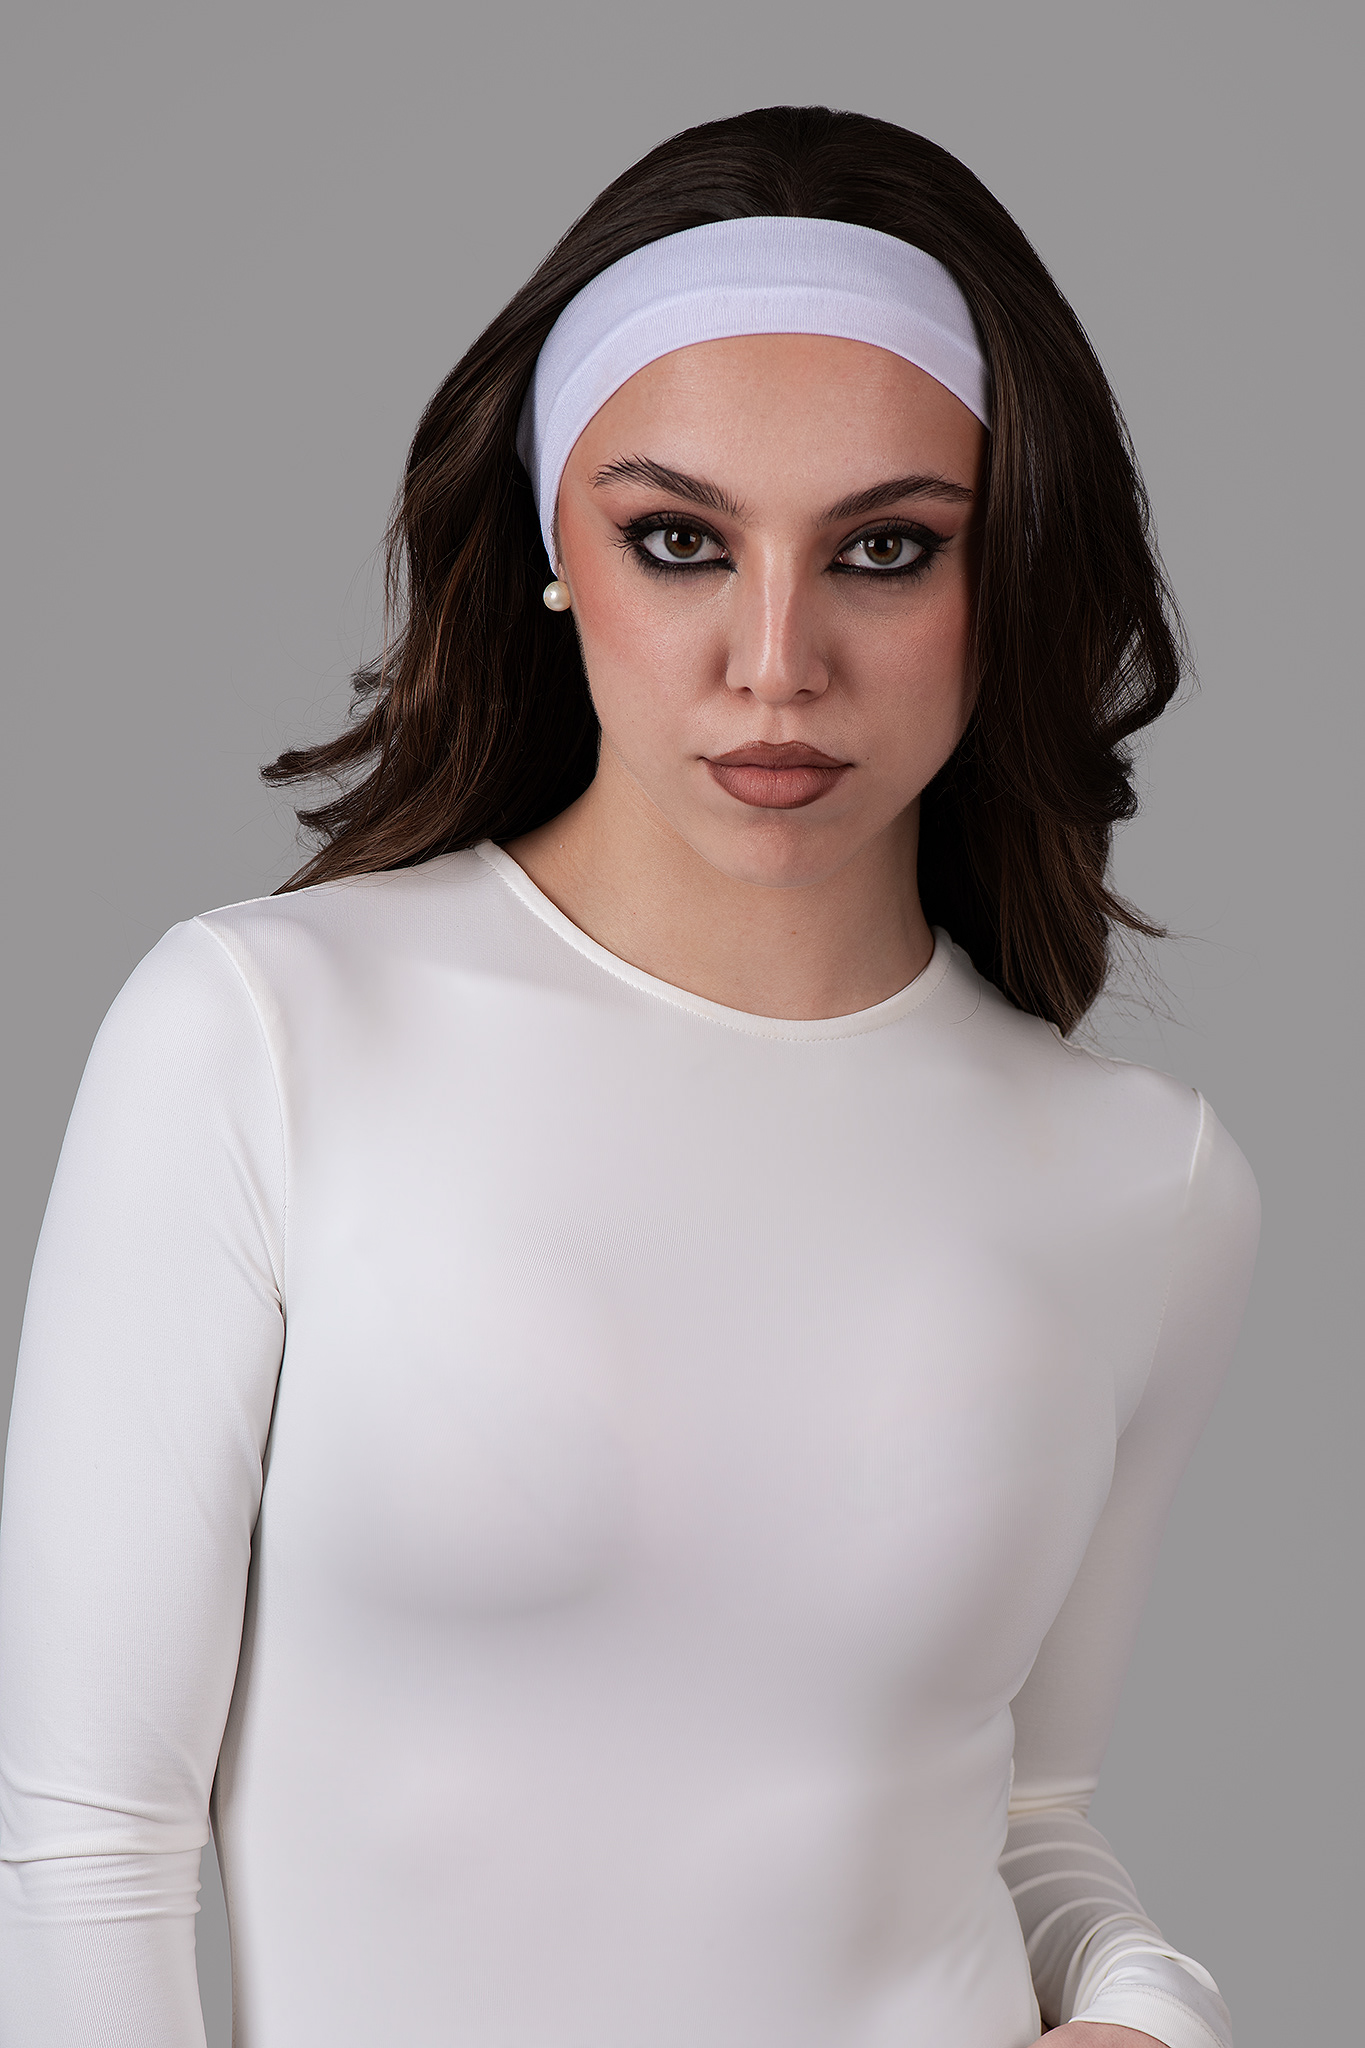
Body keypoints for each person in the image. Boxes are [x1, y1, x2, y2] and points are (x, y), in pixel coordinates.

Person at [0, 105, 1259, 2048]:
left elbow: (1023, 1813)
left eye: (885, 551)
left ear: (1000, 576)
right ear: (551, 553)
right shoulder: (265, 1037)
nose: (774, 660)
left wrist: (1153, 2008)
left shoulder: (1144, 1183)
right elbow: (85, 1841)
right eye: (678, 541)